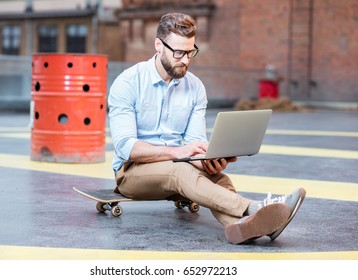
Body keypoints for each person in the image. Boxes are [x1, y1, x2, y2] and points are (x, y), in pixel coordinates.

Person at [108, 12, 306, 244]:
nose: (185, 60)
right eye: (179, 52)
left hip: (179, 169)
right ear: (158, 45)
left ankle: (240, 227)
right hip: (132, 173)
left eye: (191, 52)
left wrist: (207, 160)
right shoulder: (128, 82)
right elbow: (126, 147)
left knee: (219, 179)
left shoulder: (195, 88)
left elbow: (194, 143)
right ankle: (258, 208)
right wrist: (177, 152)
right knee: (178, 171)